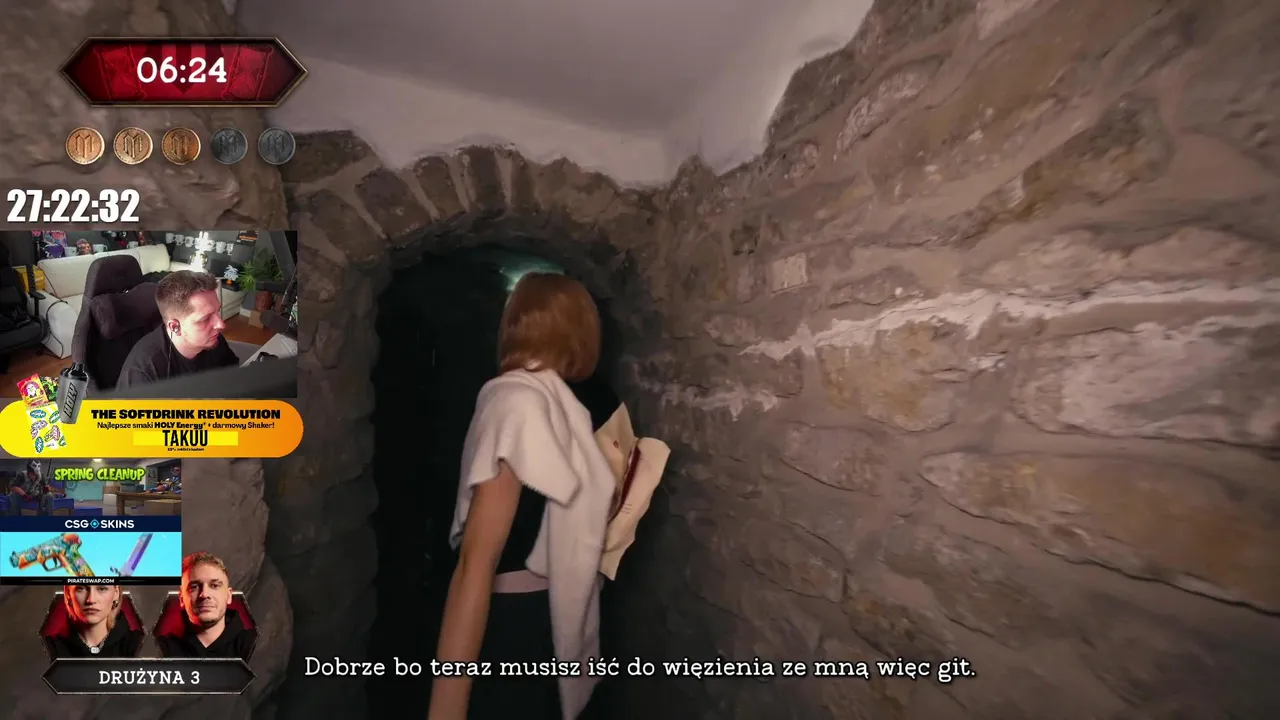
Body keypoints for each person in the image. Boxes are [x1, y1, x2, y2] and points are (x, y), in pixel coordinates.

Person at [430, 273, 616, 720]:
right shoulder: (524, 404)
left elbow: (482, 558)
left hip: (532, 616)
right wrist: (447, 706)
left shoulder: (544, 403)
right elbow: (477, 563)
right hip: (521, 618)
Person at [116, 270, 239, 389]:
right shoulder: (144, 373)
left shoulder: (213, 338)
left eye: (217, 311)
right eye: (205, 319)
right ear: (175, 327)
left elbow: (232, 373)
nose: (221, 324)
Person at [155, 551, 256, 660]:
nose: (204, 594)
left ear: (228, 596)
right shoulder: (163, 649)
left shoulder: (252, 644)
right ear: (182, 599)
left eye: (214, 585)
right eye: (194, 587)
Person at [42, 584, 144, 659]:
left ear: (116, 593)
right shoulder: (51, 646)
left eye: (102, 588)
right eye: (81, 588)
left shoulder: (136, 643)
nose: (91, 600)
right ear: (68, 593)